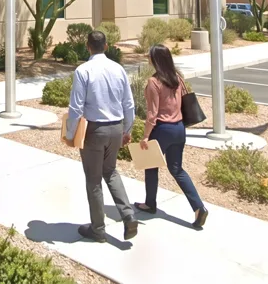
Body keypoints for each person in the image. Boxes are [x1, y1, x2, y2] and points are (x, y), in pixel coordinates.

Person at [63, 30, 138, 242]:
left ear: (87, 46)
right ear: (106, 46)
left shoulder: (83, 70)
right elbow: (129, 103)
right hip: (115, 128)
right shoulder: (118, 69)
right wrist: (127, 129)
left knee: (94, 179)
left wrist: (70, 133)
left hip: (94, 130)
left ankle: (98, 229)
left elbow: (76, 107)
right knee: (111, 171)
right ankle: (128, 214)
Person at [136, 44, 208, 229]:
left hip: (162, 129)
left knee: (151, 166)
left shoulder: (154, 82)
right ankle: (198, 207)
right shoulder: (177, 78)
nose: (148, 58)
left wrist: (145, 136)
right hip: (179, 128)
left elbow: (152, 114)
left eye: (150, 56)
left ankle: (150, 204)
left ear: (156, 60)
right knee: (177, 169)